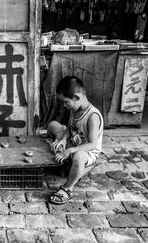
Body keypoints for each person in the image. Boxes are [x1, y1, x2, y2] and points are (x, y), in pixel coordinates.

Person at [48, 76, 103, 205]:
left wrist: (70, 150)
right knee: (52, 125)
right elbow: (69, 128)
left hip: (87, 150)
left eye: (66, 102)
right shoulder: (75, 109)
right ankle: (71, 164)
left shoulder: (93, 116)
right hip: (73, 142)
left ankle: (67, 188)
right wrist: (62, 140)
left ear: (77, 97)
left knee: (78, 157)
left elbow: (92, 144)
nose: (64, 106)